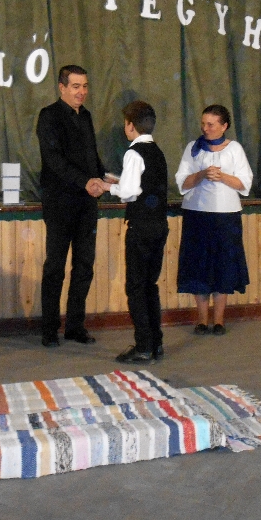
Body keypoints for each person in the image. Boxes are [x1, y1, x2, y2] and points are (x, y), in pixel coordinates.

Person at [36, 64, 108, 347]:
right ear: (62, 87)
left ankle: (75, 326)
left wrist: (104, 178)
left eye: (85, 86)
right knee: (55, 266)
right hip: (60, 202)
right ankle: (49, 329)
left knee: (84, 265)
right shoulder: (49, 116)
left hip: (86, 203)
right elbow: (53, 160)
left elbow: (91, 157)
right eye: (76, 86)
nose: (82, 92)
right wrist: (85, 181)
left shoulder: (86, 116)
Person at [175, 104, 253, 335]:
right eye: (203, 124)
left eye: (211, 124)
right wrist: (201, 174)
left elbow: (245, 183)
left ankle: (219, 320)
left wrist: (221, 176)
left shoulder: (234, 149)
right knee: (199, 267)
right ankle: (201, 320)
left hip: (226, 216)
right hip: (197, 214)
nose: (205, 128)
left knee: (223, 267)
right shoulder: (193, 148)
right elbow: (182, 182)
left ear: (224, 126)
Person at [101, 101, 169, 364]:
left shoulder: (133, 153)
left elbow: (130, 192)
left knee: (136, 287)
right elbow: (143, 186)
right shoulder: (157, 151)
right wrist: (119, 182)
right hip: (159, 225)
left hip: (141, 227)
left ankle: (143, 346)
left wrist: (108, 187)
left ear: (130, 125)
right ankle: (156, 343)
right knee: (149, 285)